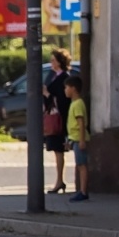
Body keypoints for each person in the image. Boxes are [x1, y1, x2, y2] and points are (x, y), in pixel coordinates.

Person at [43, 48, 72, 193]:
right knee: (56, 150)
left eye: (53, 60)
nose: (51, 62)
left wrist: (47, 94)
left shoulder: (64, 78)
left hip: (59, 119)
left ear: (60, 62)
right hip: (53, 116)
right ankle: (59, 180)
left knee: (59, 150)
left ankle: (60, 180)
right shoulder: (54, 76)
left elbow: (62, 100)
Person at [65, 74, 89, 202]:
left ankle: (83, 191)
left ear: (73, 88)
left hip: (79, 139)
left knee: (82, 165)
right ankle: (81, 190)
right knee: (79, 164)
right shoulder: (74, 103)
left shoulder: (78, 104)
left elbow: (80, 123)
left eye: (67, 87)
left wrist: (82, 140)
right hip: (75, 138)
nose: (65, 90)